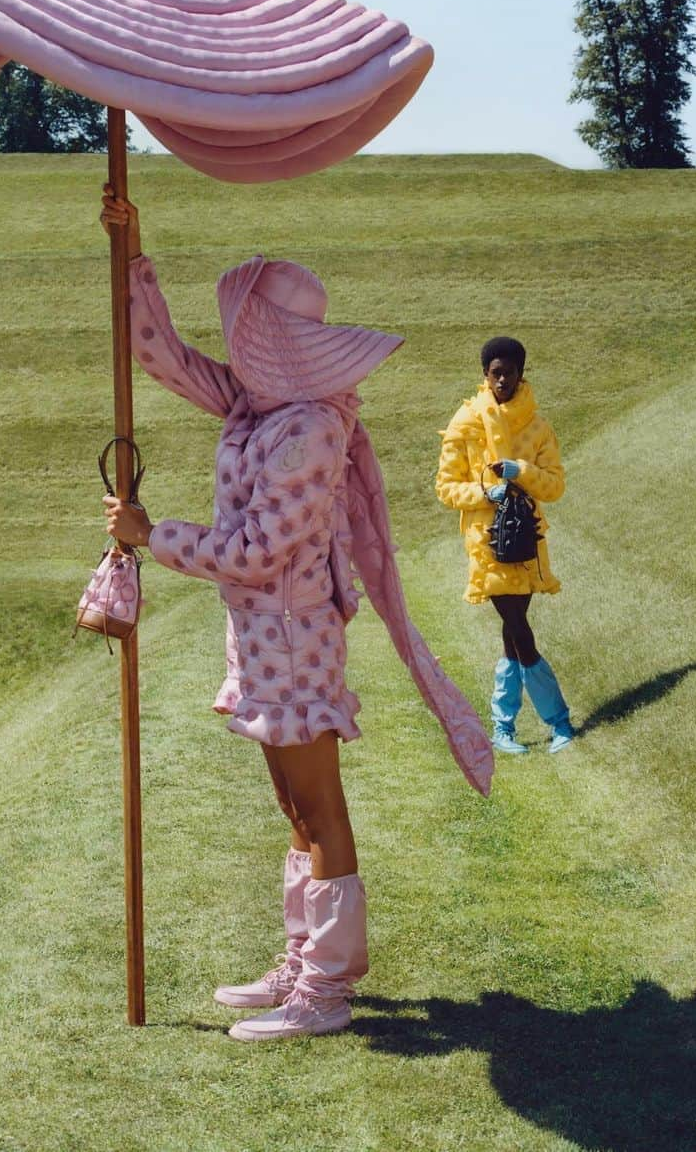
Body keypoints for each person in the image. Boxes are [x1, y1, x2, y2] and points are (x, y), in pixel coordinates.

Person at [100, 186, 493, 1042]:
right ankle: (302, 959)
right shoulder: (257, 404)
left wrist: (150, 533)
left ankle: (326, 989)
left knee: (319, 806)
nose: (235, 354)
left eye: (250, 338)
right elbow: (165, 359)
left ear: (276, 349)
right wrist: (130, 254)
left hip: (296, 639)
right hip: (263, 639)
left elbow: (254, 553)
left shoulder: (309, 431)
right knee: (293, 804)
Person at [435, 337, 574, 755]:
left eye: (508, 372)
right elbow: (446, 487)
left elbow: (555, 485)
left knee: (512, 638)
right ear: (484, 374)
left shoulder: (536, 426)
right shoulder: (465, 423)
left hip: (526, 540)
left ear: (520, 374)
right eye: (494, 372)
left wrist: (522, 472)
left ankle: (503, 728)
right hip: (486, 543)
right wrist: (487, 492)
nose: (500, 380)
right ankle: (559, 721)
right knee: (520, 631)